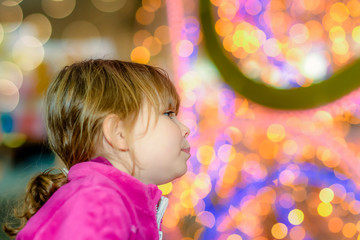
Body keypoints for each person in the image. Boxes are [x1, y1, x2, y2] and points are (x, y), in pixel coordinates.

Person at [4, 59, 191, 239]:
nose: (185, 129)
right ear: (119, 134)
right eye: (168, 114)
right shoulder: (99, 201)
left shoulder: (108, 198)